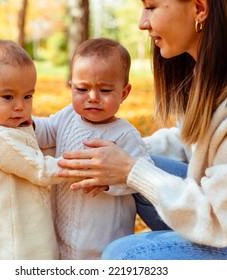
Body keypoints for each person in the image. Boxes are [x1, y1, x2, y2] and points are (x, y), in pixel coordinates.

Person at [56, 0, 227, 260]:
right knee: (144, 168)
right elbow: (191, 141)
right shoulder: (215, 72)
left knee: (124, 257)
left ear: (199, 8)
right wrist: (119, 150)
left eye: (151, 7)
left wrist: (130, 169)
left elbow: (216, 221)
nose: (142, 23)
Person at [33, 38, 153, 259]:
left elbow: (142, 178)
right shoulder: (69, 115)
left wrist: (111, 182)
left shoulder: (125, 135)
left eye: (105, 90)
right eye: (82, 88)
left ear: (124, 93)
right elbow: (47, 129)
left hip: (103, 238)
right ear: (71, 86)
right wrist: (26, 124)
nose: (93, 98)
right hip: (61, 227)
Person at [0, 39, 73, 259]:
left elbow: (32, 147)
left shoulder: (4, 126)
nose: (20, 106)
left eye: (28, 96)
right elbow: (40, 169)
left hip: (18, 231)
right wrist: (82, 164)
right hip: (10, 245)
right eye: (8, 97)